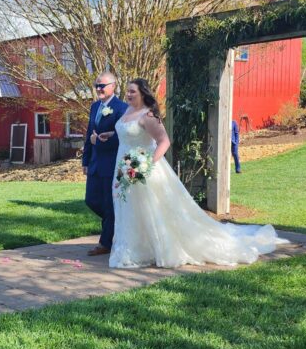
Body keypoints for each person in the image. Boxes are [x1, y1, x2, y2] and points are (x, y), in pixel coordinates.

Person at [109, 78, 285, 269]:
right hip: (124, 168)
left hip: (144, 170)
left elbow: (164, 141)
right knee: (128, 208)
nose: (128, 94)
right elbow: (127, 134)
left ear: (143, 93)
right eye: (127, 91)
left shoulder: (148, 116)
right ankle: (133, 248)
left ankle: (155, 247)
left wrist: (146, 164)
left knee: (151, 209)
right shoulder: (127, 112)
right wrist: (109, 137)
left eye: (133, 91)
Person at [82, 71, 128, 255]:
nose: (99, 89)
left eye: (102, 85)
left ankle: (105, 243)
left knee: (109, 204)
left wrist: (101, 141)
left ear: (113, 86)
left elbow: (122, 138)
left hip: (111, 163)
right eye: (96, 86)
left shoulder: (121, 108)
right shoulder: (94, 107)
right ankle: (116, 223)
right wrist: (85, 160)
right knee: (91, 200)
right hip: (94, 163)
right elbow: (89, 135)